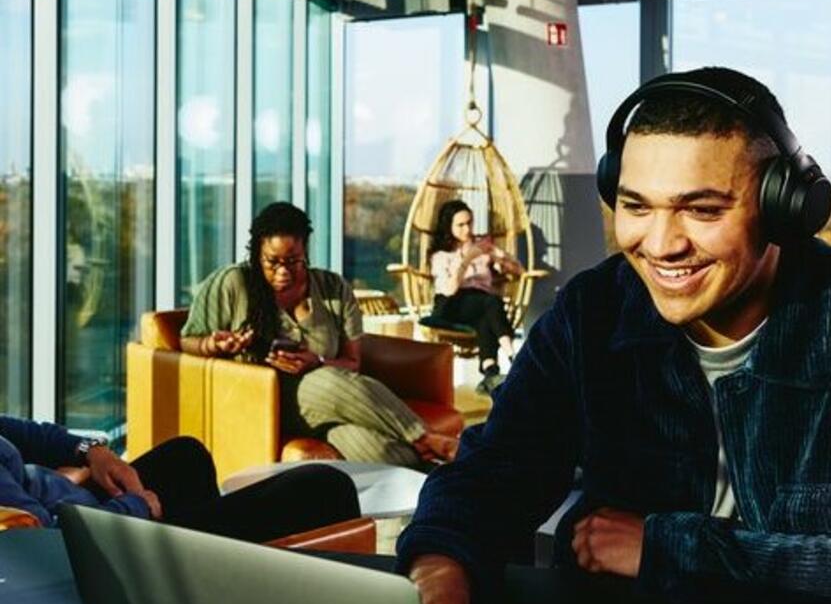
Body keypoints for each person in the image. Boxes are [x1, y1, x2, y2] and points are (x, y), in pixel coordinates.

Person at [395, 66, 831, 604]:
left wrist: (668, 550)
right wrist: (440, 570)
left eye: (702, 210)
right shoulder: (594, 313)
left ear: (782, 208)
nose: (660, 244)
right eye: (635, 206)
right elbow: (495, 472)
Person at [180, 202, 457, 467]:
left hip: (331, 402)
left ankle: (439, 490)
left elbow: (353, 363)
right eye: (272, 262)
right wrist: (213, 344)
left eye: (293, 261)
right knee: (326, 381)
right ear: (256, 253)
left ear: (306, 252)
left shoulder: (332, 288)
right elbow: (187, 341)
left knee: (377, 450)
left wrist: (318, 361)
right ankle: (427, 438)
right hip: (264, 398)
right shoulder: (233, 283)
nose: (283, 271)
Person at [0, 414, 359, 541]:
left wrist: (89, 452)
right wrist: (134, 507)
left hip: (77, 508)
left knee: (186, 456)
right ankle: (188, 572)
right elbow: (50, 549)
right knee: (324, 487)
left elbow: (22, 433)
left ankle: (203, 592)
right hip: (100, 552)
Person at [428, 199, 523, 394]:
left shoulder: (483, 249)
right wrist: (467, 259)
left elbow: (519, 271)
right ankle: (515, 358)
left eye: (469, 222)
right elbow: (450, 289)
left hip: (480, 304)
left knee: (486, 316)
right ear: (449, 227)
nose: (467, 229)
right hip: (450, 304)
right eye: (460, 225)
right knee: (490, 303)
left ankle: (490, 372)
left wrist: (498, 255)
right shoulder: (440, 255)